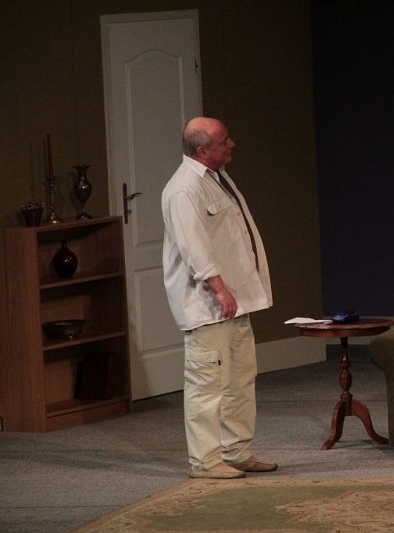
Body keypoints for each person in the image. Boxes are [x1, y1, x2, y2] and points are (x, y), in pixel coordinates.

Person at [161, 116, 278, 479]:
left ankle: (236, 451)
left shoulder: (216, 177)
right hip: (209, 304)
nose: (232, 144)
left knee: (240, 379)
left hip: (234, 302)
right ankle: (206, 461)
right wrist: (221, 291)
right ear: (202, 151)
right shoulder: (184, 189)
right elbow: (194, 248)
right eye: (224, 141)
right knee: (207, 384)